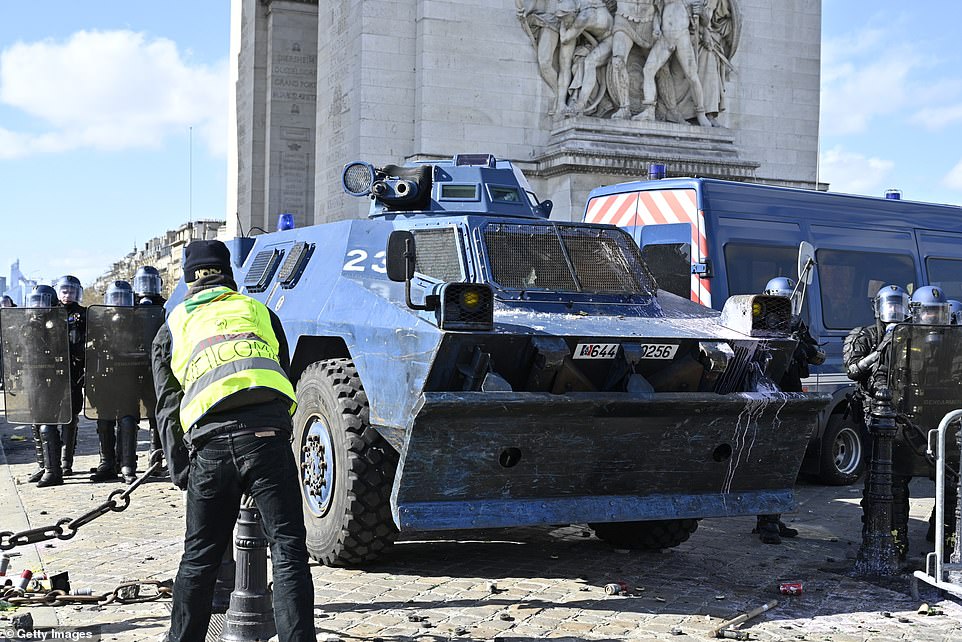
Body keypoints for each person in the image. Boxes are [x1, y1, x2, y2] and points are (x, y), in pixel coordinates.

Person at [151, 240, 315, 642]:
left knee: (199, 559)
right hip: (267, 438)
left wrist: (182, 470)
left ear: (189, 280)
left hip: (211, 446)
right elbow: (280, 374)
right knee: (289, 552)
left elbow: (168, 406)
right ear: (229, 275)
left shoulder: (172, 325)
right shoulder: (260, 312)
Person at [753, 276, 826, 544]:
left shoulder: (796, 325)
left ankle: (772, 519)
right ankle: (766, 524)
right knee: (768, 462)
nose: (785, 306)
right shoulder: (756, 323)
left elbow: (817, 355)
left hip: (790, 399)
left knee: (785, 461)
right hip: (767, 399)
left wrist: (801, 344)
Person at [844, 284, 910, 556]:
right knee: (876, 479)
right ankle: (872, 535)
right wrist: (882, 347)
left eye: (898, 306)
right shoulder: (865, 335)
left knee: (900, 479)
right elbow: (852, 370)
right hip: (871, 412)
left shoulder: (911, 335)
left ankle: (898, 538)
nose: (893, 312)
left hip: (902, 413)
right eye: (889, 306)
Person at [91, 281, 140, 483]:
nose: (119, 300)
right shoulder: (99, 322)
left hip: (129, 376)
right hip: (105, 378)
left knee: (128, 420)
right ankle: (107, 463)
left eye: (123, 296)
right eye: (115, 296)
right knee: (105, 421)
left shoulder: (138, 320)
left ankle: (128, 463)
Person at [133, 265, 167, 477]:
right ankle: (125, 460)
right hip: (132, 366)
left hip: (157, 364)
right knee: (129, 415)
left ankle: (156, 458)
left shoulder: (166, 306)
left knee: (157, 414)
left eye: (150, 283)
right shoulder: (129, 306)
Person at [24, 285, 59, 484]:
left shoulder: (57, 324)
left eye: (42, 301)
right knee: (36, 423)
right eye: (35, 301)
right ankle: (43, 465)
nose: (38, 306)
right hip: (33, 377)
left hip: (52, 378)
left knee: (47, 423)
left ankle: (53, 470)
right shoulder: (27, 325)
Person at [53, 275, 86, 478]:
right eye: (64, 291)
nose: (68, 295)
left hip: (74, 372)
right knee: (49, 416)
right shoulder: (49, 312)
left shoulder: (83, 315)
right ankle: (50, 462)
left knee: (71, 416)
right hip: (51, 373)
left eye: (72, 291)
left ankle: (66, 461)